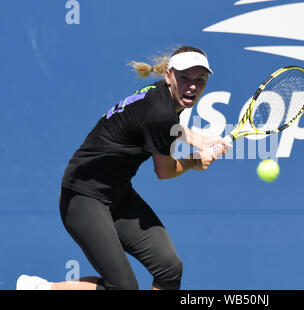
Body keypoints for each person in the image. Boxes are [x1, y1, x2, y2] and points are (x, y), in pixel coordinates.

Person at [16, 46, 229, 290]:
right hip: (83, 197)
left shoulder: (162, 97)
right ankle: (39, 288)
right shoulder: (162, 113)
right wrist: (194, 161)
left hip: (117, 195)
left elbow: (160, 126)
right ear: (169, 76)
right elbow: (165, 171)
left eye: (199, 80)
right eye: (185, 78)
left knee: (169, 268)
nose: (192, 86)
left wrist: (196, 138)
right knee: (122, 288)